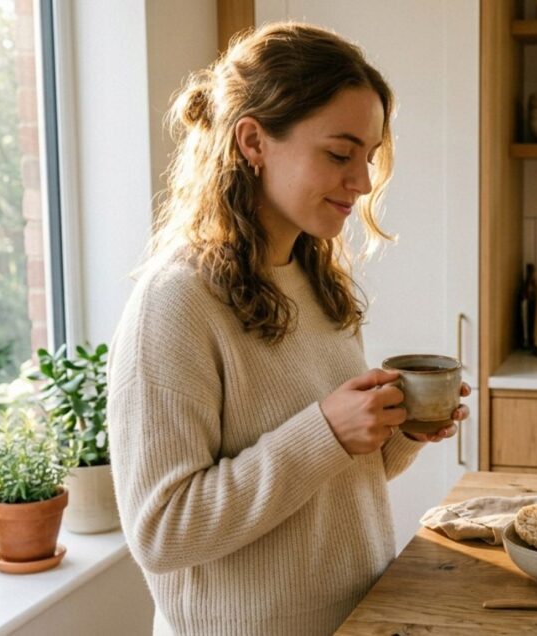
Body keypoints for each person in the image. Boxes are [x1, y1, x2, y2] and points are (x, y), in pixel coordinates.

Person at [107, 22, 470, 636]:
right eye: (339, 153)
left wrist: (397, 430)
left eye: (369, 158)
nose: (361, 182)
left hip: (360, 615)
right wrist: (325, 430)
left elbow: (335, 482)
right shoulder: (174, 305)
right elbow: (162, 532)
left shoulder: (313, 277)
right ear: (253, 141)